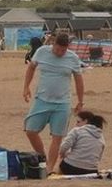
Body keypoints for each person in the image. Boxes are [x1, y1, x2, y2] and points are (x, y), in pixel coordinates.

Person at [22, 32, 85, 167]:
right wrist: (26, 87)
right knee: (30, 131)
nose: (60, 52)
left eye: (63, 50)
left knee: (57, 137)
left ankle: (50, 168)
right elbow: (31, 68)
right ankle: (42, 156)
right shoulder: (42, 52)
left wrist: (80, 101)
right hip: (42, 99)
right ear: (53, 44)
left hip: (62, 103)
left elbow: (79, 80)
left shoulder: (72, 58)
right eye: (58, 49)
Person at [54, 110, 106, 176]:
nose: (76, 125)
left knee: (63, 163)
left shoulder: (77, 130)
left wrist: (62, 154)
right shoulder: (101, 136)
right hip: (91, 170)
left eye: (78, 122)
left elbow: (64, 146)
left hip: (71, 167)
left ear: (86, 121)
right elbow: (99, 157)